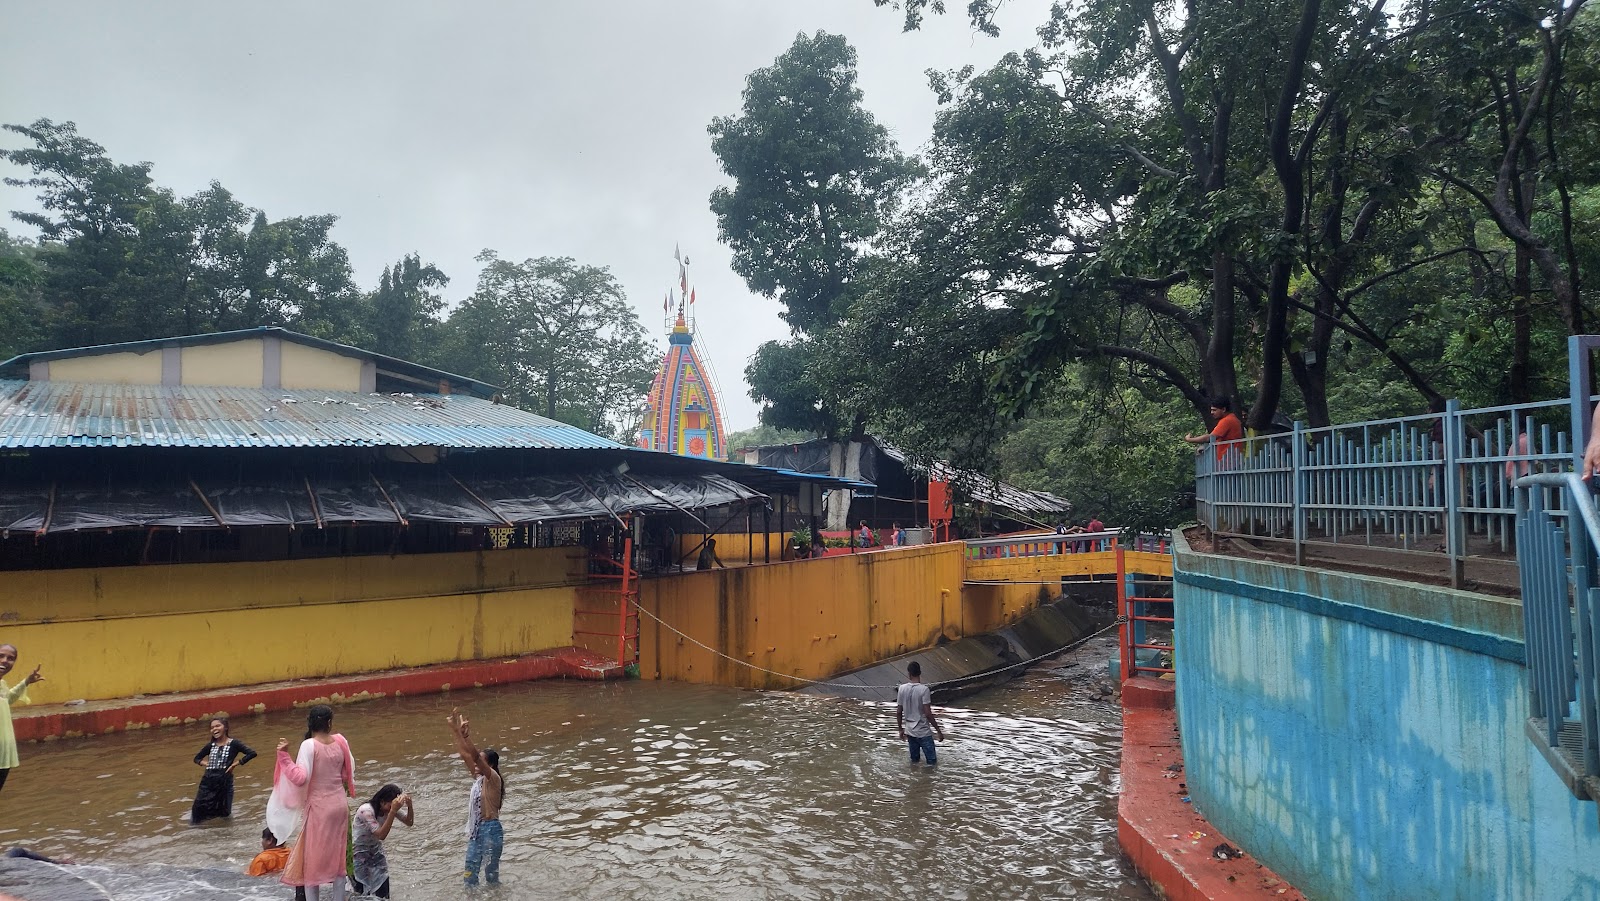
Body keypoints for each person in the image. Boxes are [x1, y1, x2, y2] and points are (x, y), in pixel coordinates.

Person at [267, 704, 356, 901]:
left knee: (312, 864)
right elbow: (348, 770)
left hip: (320, 809)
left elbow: (300, 778)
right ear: (329, 723)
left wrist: (284, 757)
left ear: (311, 723)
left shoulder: (309, 745)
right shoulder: (341, 741)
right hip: (340, 806)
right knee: (338, 861)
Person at [447, 708, 504, 886]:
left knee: (491, 878)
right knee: (469, 877)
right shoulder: (479, 779)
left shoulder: (493, 778)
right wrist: (456, 731)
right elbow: (465, 755)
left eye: (481, 761)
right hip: (477, 832)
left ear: (491, 765)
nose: (476, 764)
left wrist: (466, 737)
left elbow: (473, 757)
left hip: (491, 830)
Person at [351, 783, 414, 898]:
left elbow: (409, 822)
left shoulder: (389, 810)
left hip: (375, 851)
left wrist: (409, 806)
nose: (391, 809)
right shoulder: (366, 811)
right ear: (382, 802)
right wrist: (393, 811)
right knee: (362, 892)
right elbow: (381, 835)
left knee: (383, 890)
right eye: (390, 806)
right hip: (359, 853)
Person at [190, 716, 257, 823]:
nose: (214, 729)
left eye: (217, 726)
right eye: (212, 728)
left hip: (224, 782)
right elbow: (197, 758)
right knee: (198, 810)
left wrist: (236, 764)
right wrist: (206, 763)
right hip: (207, 783)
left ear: (225, 727)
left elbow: (252, 753)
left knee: (224, 812)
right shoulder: (210, 745)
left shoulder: (234, 744)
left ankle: (224, 833)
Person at [0, 644, 42, 794]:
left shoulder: (2, 684)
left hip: (4, 753)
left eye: (11, 659)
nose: (5, 661)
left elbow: (7, 699)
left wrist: (26, 682)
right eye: (1, 656)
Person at [894, 661, 944, 766]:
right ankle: (928, 781)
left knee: (914, 762)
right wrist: (938, 730)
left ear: (909, 674)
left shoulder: (902, 689)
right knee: (932, 763)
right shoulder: (924, 690)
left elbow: (899, 712)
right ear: (920, 673)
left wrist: (900, 729)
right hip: (923, 732)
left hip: (910, 732)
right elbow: (928, 714)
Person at [1184, 396, 1244, 463]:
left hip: (1228, 462)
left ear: (1223, 409)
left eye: (1214, 410)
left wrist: (1190, 439)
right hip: (1230, 461)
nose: (1211, 412)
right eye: (1211, 410)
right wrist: (1205, 447)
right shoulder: (1232, 418)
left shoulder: (1227, 420)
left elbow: (1209, 438)